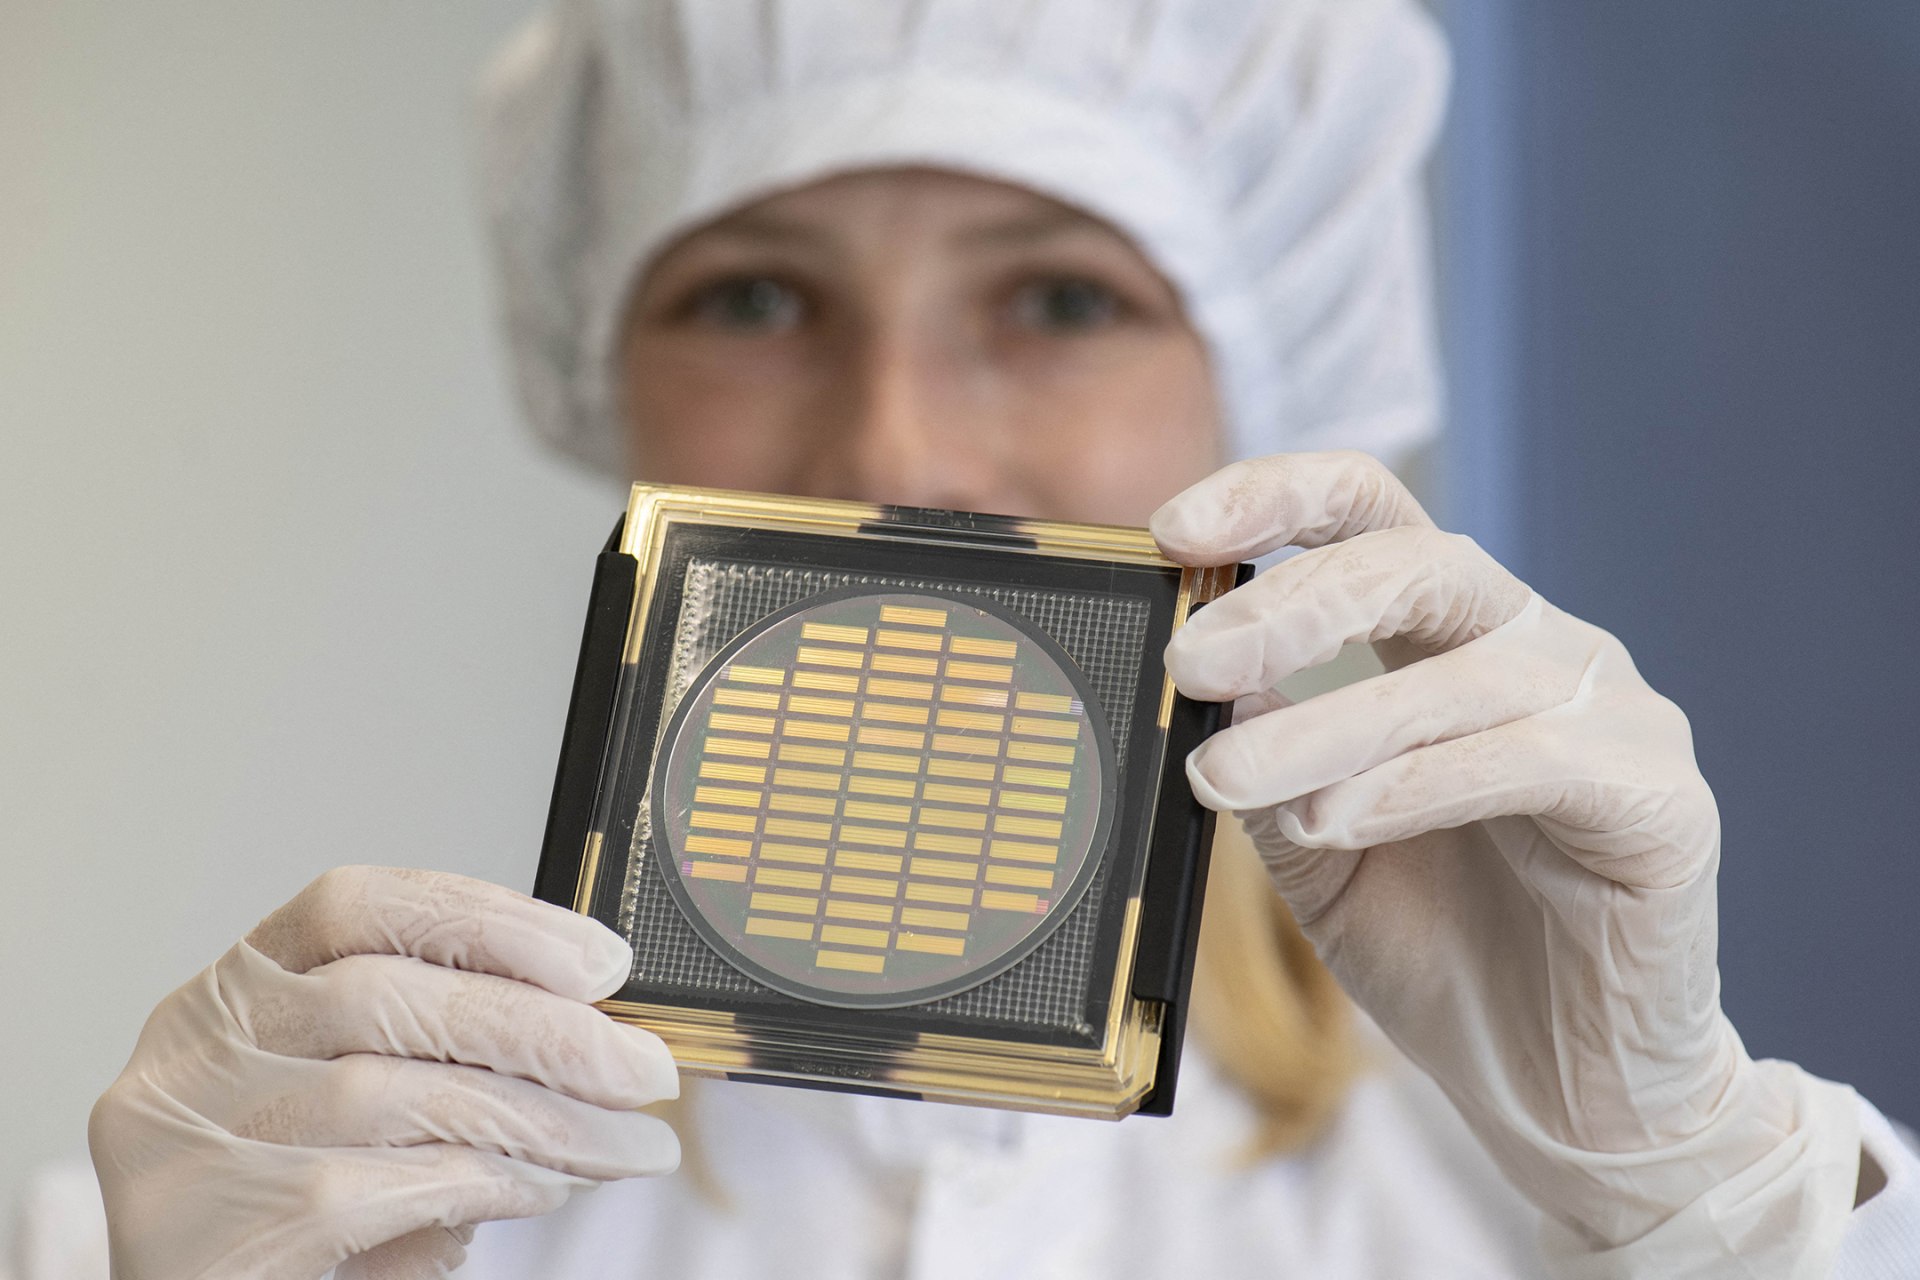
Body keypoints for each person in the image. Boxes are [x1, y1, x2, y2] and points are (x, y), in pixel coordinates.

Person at [46, 0, 1919, 1277]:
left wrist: (1708, 1210)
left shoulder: (1543, 1213)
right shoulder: (292, 1193)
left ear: (1260, 399)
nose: (894, 451)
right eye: (755, 294)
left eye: (1058, 297)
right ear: (603, 384)